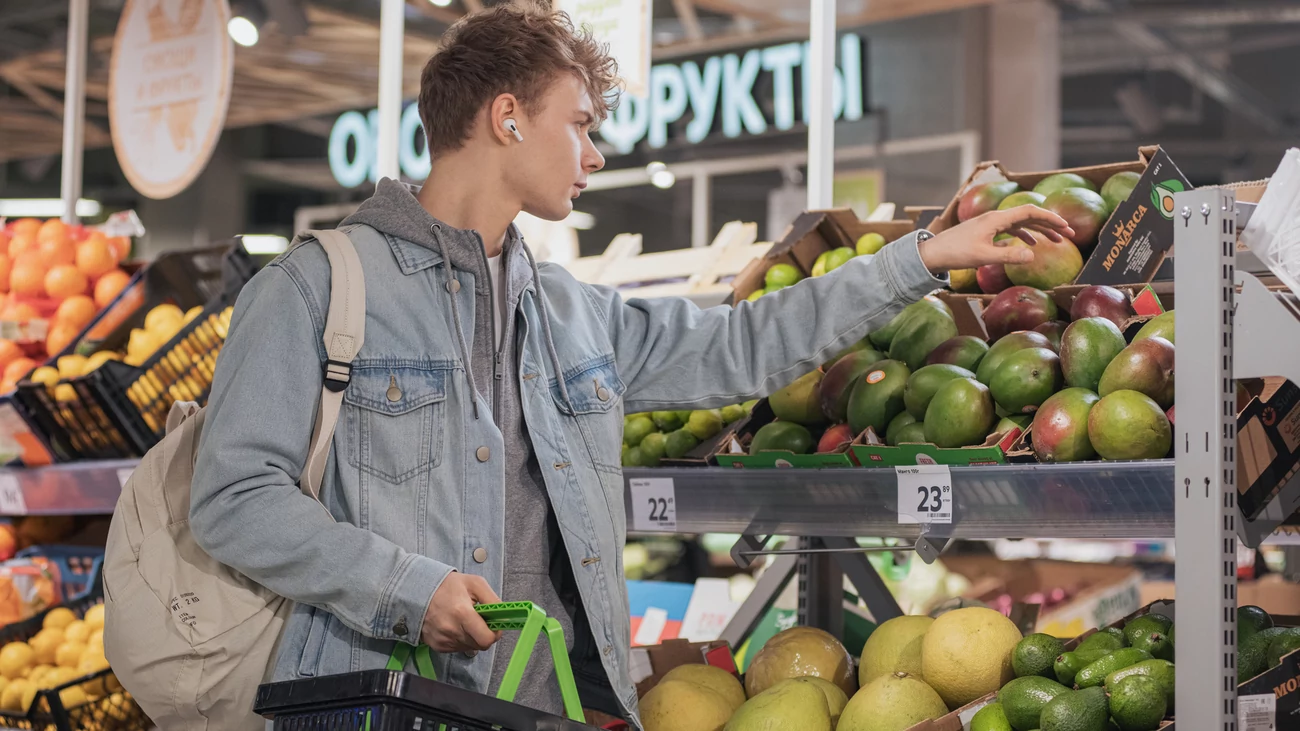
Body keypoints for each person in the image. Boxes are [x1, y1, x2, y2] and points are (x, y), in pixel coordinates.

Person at [189, 4, 1073, 726]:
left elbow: (745, 346)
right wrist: (404, 588)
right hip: (377, 702)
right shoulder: (314, 289)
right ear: (507, 117)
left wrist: (920, 257)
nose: (596, 153)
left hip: (546, 706)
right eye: (579, 125)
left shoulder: (572, 312)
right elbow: (233, 498)